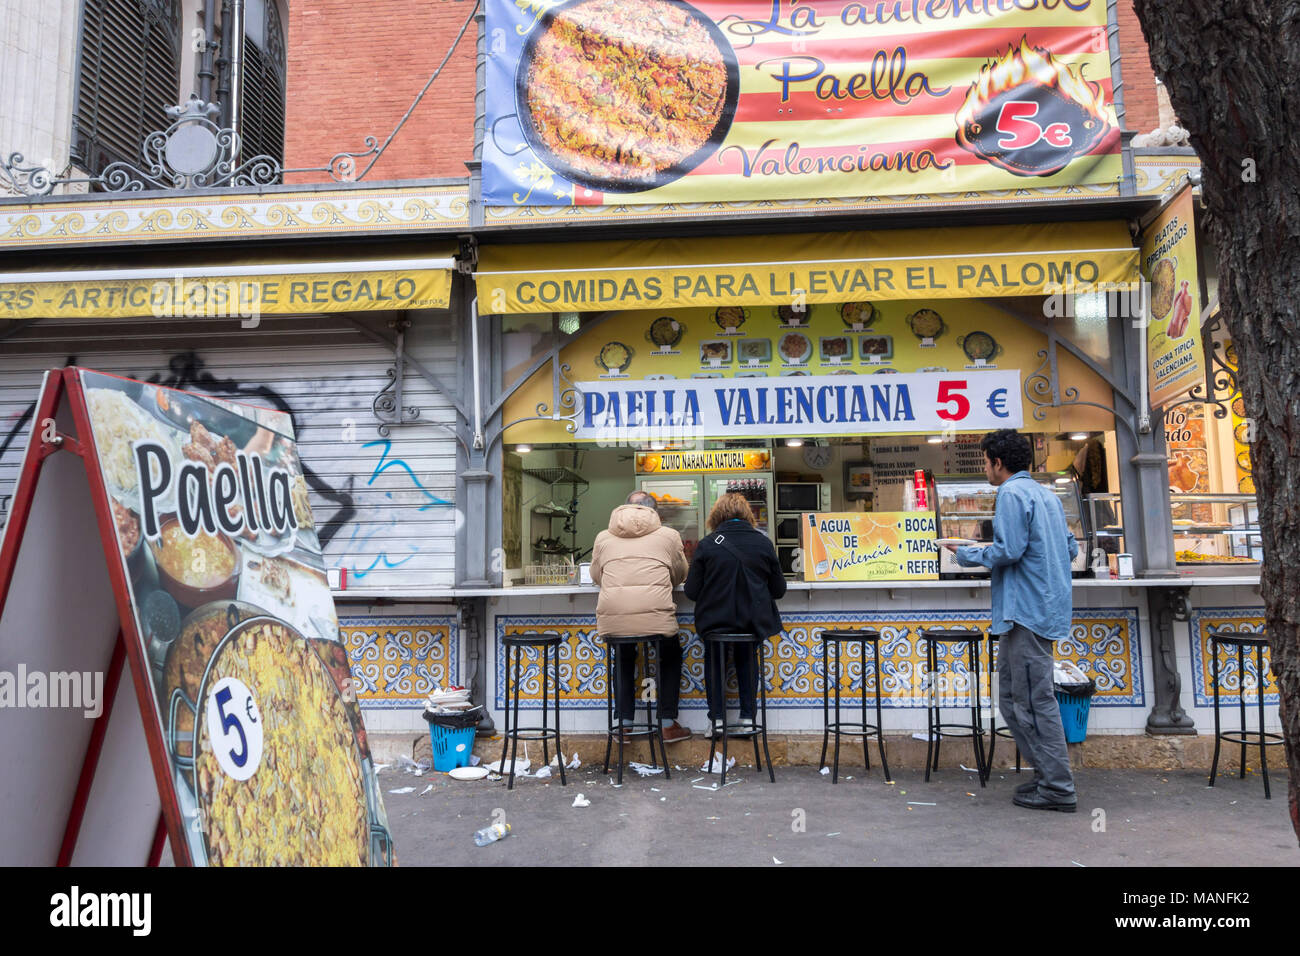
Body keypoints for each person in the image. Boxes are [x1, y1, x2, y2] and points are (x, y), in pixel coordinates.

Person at [943, 429, 1079, 812]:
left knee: (1032, 703)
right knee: (1015, 701)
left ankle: (1057, 787)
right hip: (1041, 609)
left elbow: (1010, 550)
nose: (985, 468)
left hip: (1025, 613)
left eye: (985, 461)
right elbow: (1069, 548)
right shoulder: (1046, 495)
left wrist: (965, 554)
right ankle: (1047, 775)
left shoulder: (1011, 494)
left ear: (997, 463)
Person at [590, 490, 690, 744]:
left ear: (624, 508)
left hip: (614, 619)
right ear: (654, 511)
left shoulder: (603, 537)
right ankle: (667, 723)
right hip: (657, 617)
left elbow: (596, 576)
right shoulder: (669, 536)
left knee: (623, 655)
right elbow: (679, 575)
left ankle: (623, 724)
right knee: (670, 653)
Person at [685, 492, 786, 734]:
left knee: (714, 663)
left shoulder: (707, 545)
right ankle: (748, 718)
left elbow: (691, 591)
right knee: (747, 660)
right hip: (753, 622)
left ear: (717, 516)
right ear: (747, 515)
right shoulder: (763, 543)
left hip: (715, 622)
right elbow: (779, 590)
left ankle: (717, 720)